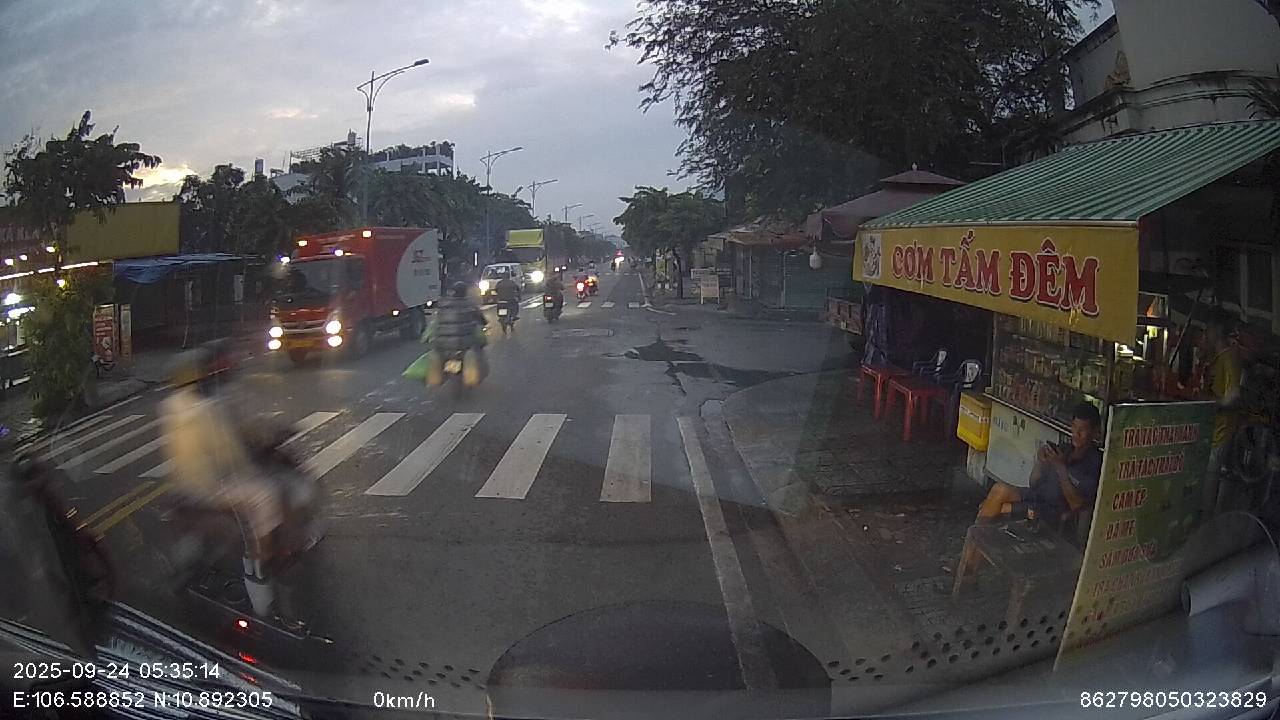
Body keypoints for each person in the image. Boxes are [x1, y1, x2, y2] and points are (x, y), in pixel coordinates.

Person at [159, 346, 284, 599]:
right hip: (212, 489)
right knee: (266, 497)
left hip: (183, 487)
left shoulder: (168, 406)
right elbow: (231, 453)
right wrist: (252, 472)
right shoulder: (207, 410)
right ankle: (260, 573)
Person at [974, 401, 1104, 523]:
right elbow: (1033, 482)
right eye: (1074, 427)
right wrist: (1040, 461)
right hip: (1037, 496)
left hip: (1053, 509)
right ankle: (975, 537)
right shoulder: (1065, 449)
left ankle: (974, 538)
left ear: (1094, 432)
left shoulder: (1094, 463)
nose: (1076, 434)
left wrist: (1060, 467)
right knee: (999, 490)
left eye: (1082, 430)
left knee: (998, 508)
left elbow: (1077, 505)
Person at [1200, 310, 1244, 514]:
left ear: (1217, 330)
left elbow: (1233, 395)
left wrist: (1211, 406)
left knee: (1211, 475)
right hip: (1213, 427)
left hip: (1222, 430)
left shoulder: (1229, 357)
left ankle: (1207, 518)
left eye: (1208, 329)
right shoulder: (1217, 358)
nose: (1205, 334)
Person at [424, 281, 489, 384]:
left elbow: (437, 321)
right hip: (465, 343)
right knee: (479, 348)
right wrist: (484, 323)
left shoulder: (443, 305)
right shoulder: (470, 305)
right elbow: (481, 319)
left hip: (443, 344)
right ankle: (476, 374)